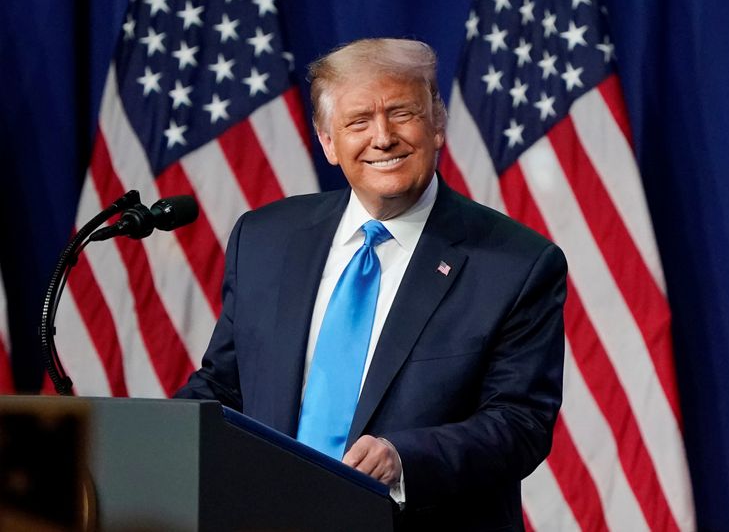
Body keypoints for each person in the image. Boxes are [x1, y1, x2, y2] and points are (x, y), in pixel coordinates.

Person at [175, 38, 567, 531]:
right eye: (358, 121)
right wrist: (147, 441)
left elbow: (520, 423)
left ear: (437, 125)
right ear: (328, 141)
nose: (382, 137)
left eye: (401, 113)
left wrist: (403, 460)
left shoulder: (516, 264)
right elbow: (223, 384)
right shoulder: (265, 239)